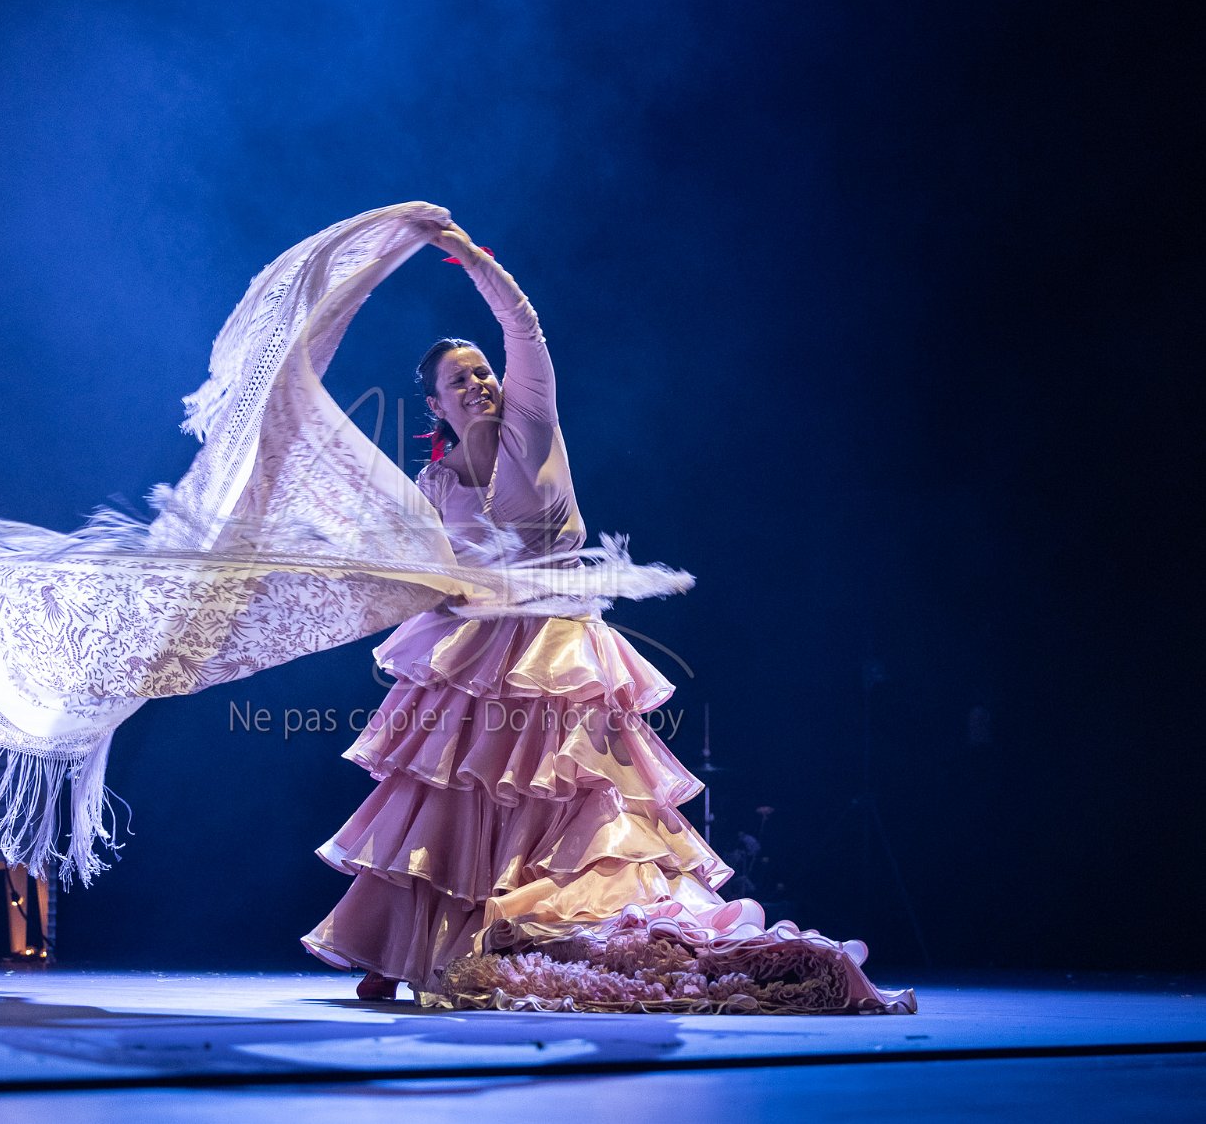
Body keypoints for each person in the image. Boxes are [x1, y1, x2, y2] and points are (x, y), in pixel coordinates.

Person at [303, 224, 915, 1014]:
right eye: (461, 380)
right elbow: (431, 575)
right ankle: (408, 945)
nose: (480, 383)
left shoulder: (532, 418)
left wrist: (469, 256)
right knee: (451, 796)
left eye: (482, 371)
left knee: (576, 801)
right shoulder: (436, 481)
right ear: (436, 405)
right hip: (478, 649)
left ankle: (535, 932)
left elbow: (524, 328)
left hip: (558, 643)